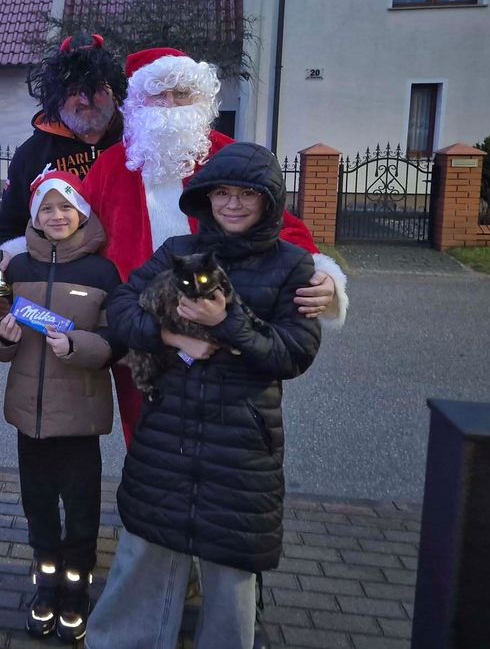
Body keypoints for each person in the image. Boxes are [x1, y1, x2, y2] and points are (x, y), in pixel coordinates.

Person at [85, 142, 322, 649]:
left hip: (241, 440)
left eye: (246, 194)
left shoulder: (293, 265)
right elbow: (123, 306)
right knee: (147, 548)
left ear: (269, 201)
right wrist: (169, 335)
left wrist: (226, 321)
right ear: (206, 198)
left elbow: (293, 354)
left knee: (230, 565)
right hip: (169, 428)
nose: (232, 205)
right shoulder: (179, 251)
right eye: (222, 193)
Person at [81, 46, 348, 446]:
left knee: (226, 438)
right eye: (158, 94)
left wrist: (321, 274)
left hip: (220, 322)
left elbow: (281, 225)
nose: (171, 105)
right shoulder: (110, 166)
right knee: (146, 437)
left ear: (200, 100)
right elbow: (75, 233)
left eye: (181, 94)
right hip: (145, 327)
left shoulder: (227, 156)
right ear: (138, 102)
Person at [0, 170, 124, 645]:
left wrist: (78, 346)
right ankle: (46, 585)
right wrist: (3, 337)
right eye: (46, 208)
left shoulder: (102, 272)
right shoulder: (17, 269)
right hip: (30, 419)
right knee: (38, 508)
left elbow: (117, 338)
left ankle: (77, 590)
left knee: (81, 512)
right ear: (34, 216)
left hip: (80, 417)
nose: (56, 216)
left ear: (81, 212)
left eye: (65, 206)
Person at [0, 32, 126, 253]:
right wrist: (5, 255)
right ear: (56, 100)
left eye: (96, 89)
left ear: (115, 94)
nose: (85, 100)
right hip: (61, 270)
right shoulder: (32, 155)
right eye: (73, 91)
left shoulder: (137, 145)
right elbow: (7, 227)